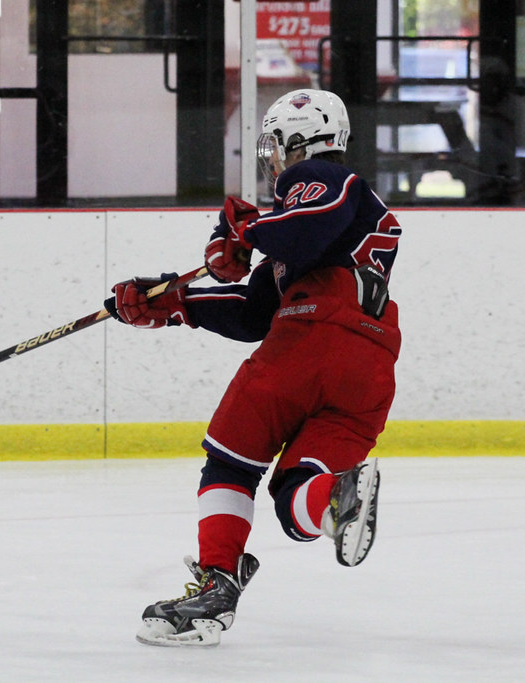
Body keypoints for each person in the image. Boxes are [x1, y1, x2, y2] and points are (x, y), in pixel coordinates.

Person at [106, 89, 402, 647]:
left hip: (312, 342)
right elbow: (255, 312)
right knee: (297, 500)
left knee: (231, 464)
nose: (272, 159)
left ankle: (217, 585)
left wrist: (244, 233)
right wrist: (175, 306)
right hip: (368, 366)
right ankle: (336, 497)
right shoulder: (313, 232)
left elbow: (307, 221)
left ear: (298, 140)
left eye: (275, 145)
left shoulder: (319, 178)